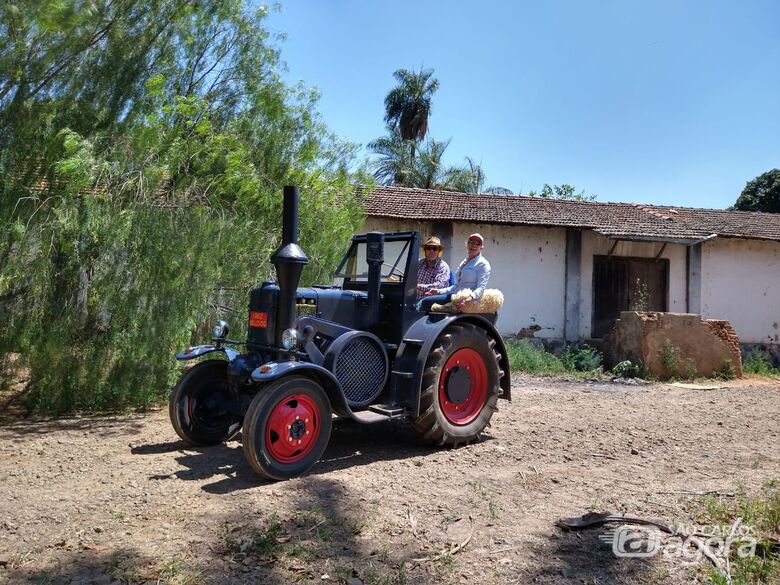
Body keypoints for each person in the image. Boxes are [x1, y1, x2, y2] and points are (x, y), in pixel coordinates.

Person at [416, 233, 491, 312]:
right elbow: (456, 286)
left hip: (465, 297)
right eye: (471, 242)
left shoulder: (483, 264)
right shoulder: (464, 262)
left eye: (477, 244)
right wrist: (438, 291)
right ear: (467, 244)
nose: (474, 246)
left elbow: (481, 287)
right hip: (455, 295)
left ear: (481, 247)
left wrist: (470, 299)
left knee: (425, 301)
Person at [416, 236, 451, 301]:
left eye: (435, 249)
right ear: (425, 250)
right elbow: (410, 278)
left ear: (438, 251)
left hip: (430, 304)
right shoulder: (418, 263)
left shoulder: (443, 266)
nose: (431, 251)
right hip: (413, 301)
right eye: (429, 248)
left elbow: (439, 285)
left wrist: (418, 286)